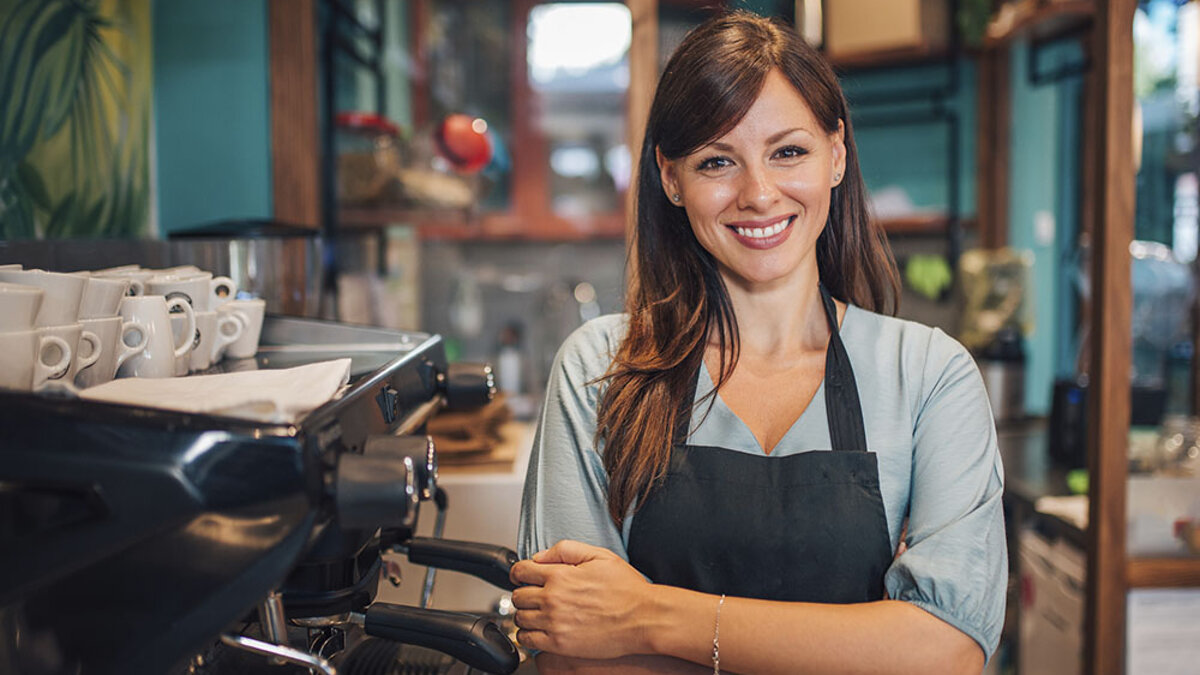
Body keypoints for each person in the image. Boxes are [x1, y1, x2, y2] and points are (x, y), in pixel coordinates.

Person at [512, 11, 1006, 674]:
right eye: (718, 161)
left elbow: (945, 649)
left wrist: (647, 615)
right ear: (670, 177)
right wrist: (865, 640)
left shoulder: (927, 374)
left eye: (788, 151)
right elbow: (571, 650)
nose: (759, 193)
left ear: (836, 153)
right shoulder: (600, 368)